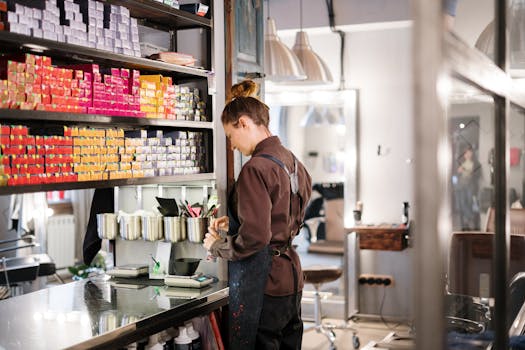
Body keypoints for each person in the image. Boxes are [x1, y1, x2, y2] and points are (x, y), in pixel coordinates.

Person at [203, 80, 312, 350]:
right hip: (292, 277)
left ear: (243, 123)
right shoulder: (293, 161)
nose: (232, 146)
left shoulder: (255, 168)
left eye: (230, 136)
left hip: (265, 283)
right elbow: (284, 214)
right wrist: (241, 217)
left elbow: (256, 237)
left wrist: (218, 246)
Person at [455, 145, 481, 230]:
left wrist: (471, 173)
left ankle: (468, 221)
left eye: (469, 152)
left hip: (470, 186)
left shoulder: (475, 163)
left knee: (469, 203)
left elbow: (478, 175)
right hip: (461, 186)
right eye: (466, 153)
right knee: (462, 203)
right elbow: (455, 175)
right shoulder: (460, 162)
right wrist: (459, 171)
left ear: (472, 153)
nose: (468, 154)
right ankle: (470, 217)